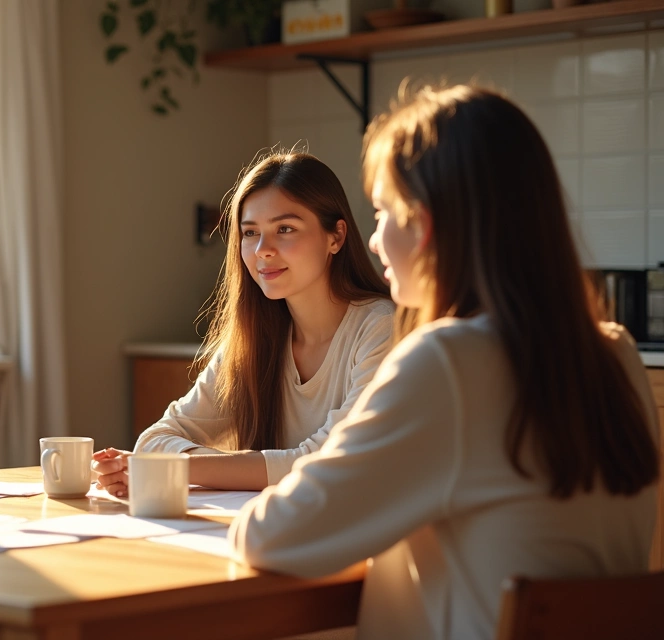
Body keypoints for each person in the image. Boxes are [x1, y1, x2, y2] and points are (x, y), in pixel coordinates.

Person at [229, 85, 660, 639]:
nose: (377, 239)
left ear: (424, 223)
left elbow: (272, 538)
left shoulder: (450, 363)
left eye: (383, 212)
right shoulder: (614, 352)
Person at [93, 152, 393, 495]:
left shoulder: (381, 327)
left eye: (285, 228)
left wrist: (173, 469)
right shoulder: (253, 338)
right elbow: (155, 439)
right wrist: (181, 466)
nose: (263, 249)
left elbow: (328, 459)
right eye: (250, 233)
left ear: (335, 237)